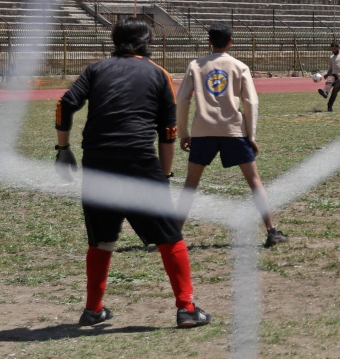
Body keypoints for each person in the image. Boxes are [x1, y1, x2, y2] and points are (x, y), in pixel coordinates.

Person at [54, 18, 211, 329]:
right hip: (139, 161)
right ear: (145, 42)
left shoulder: (94, 69)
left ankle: (93, 309)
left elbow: (65, 104)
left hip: (98, 163)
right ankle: (187, 307)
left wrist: (63, 149)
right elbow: (167, 132)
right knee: (170, 236)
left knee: (102, 238)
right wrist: (164, 177)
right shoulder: (159, 74)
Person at [177, 21, 287, 248]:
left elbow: (182, 100)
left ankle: (173, 235)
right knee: (254, 181)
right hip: (233, 130)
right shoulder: (240, 66)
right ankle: (271, 230)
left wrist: (184, 133)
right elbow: (251, 102)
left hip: (203, 129)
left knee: (190, 184)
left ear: (209, 41)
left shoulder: (196, 65)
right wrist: (251, 135)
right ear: (231, 41)